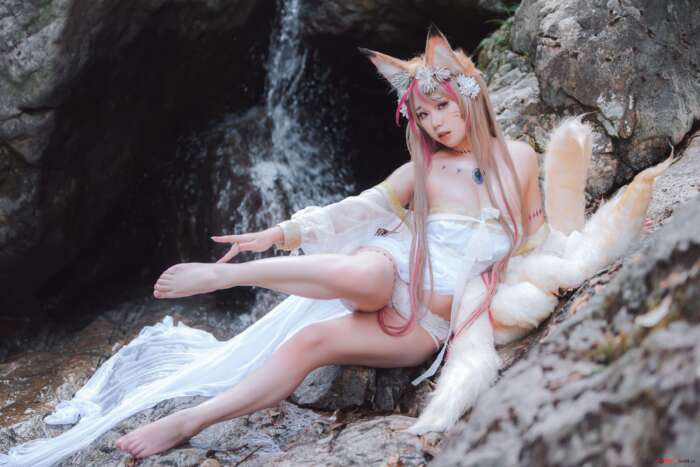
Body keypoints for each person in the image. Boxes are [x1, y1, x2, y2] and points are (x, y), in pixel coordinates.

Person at [1, 26, 665, 466]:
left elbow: (536, 236)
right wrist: (275, 234)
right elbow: (354, 210)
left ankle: (196, 404)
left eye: (442, 106)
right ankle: (227, 288)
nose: (436, 122)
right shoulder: (423, 171)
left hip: (433, 320)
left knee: (320, 334)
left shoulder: (517, 156)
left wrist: (533, 277)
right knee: (367, 277)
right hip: (388, 273)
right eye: (424, 114)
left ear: (470, 95)